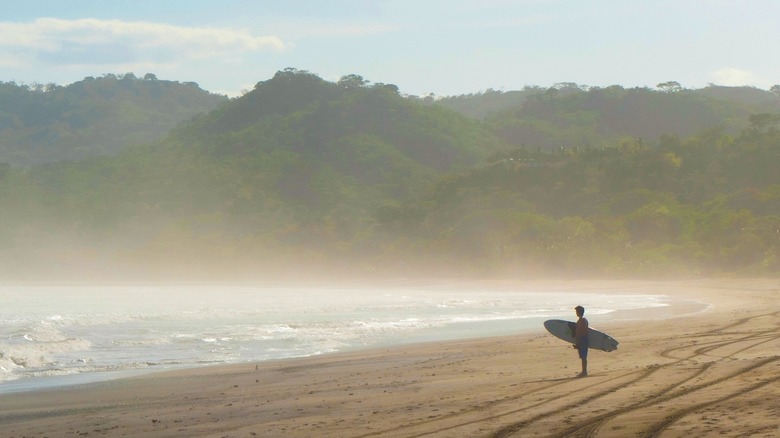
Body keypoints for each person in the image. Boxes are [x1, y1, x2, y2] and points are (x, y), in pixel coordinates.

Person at [573, 305, 589, 377]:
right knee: (582, 356)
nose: (576, 313)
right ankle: (583, 371)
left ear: (579, 312)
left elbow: (582, 331)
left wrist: (579, 341)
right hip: (581, 339)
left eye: (576, 311)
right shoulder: (580, 320)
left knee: (583, 356)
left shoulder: (583, 320)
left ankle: (584, 372)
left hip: (583, 339)